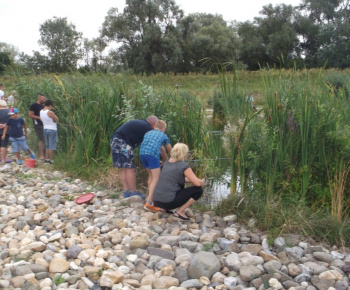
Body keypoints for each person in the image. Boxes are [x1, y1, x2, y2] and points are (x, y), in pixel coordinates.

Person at [153, 143, 205, 222]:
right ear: (184, 154)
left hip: (157, 201)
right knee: (198, 190)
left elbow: (174, 179)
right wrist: (201, 182)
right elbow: (197, 184)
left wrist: (195, 180)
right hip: (169, 202)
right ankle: (179, 212)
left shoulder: (167, 162)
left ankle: (164, 209)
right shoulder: (183, 166)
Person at [110, 115, 158, 199]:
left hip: (115, 141)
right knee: (130, 169)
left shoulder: (141, 124)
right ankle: (133, 192)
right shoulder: (147, 128)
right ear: (153, 124)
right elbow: (154, 144)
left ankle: (126, 192)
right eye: (156, 126)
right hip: (123, 143)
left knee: (124, 168)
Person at [140, 120, 172, 212]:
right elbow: (168, 148)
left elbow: (159, 148)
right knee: (156, 178)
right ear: (163, 129)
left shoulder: (148, 133)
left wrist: (164, 160)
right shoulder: (163, 135)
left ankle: (150, 199)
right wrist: (169, 159)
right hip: (152, 156)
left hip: (142, 154)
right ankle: (149, 203)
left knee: (151, 176)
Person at [40, 100, 59, 164]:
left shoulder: (41, 111)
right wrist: (54, 118)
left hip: (45, 128)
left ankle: (47, 159)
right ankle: (51, 160)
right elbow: (57, 119)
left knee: (47, 145)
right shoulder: (49, 112)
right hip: (52, 129)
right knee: (52, 145)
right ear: (50, 105)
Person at [29, 94, 46, 160]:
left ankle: (44, 154)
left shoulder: (43, 106)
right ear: (39, 98)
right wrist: (39, 118)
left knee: (44, 139)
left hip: (44, 124)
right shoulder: (34, 106)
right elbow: (30, 115)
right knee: (41, 139)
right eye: (43, 99)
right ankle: (41, 155)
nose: (44, 100)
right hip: (37, 124)